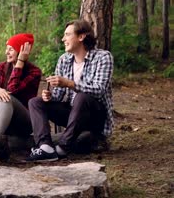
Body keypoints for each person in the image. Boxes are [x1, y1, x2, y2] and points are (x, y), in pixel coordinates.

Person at [26, 19, 114, 162]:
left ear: (81, 37)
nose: (63, 39)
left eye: (67, 35)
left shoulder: (103, 57)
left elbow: (99, 90)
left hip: (94, 116)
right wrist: (49, 96)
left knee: (81, 97)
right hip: (73, 114)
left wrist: (69, 83)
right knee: (36, 102)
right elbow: (59, 96)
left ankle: (63, 147)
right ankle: (45, 147)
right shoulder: (64, 59)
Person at [0, 33, 42, 140]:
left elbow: (13, 90)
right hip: (2, 120)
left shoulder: (34, 72)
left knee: (6, 98)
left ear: (21, 51)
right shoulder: (2, 67)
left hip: (23, 123)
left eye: (11, 49)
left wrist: (20, 62)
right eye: (6, 49)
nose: (6, 52)